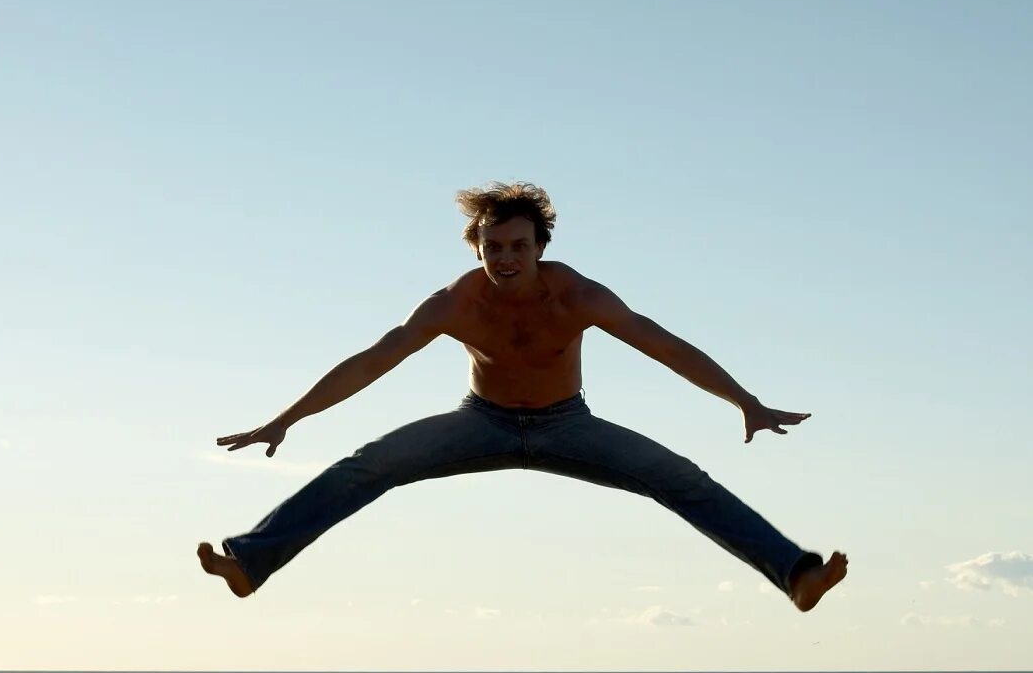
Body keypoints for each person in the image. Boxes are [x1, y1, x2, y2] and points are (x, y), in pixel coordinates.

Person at [197, 182, 848, 611]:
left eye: (517, 246)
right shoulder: (456, 302)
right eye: (493, 248)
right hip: (479, 423)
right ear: (476, 248)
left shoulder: (579, 296)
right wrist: (286, 419)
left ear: (540, 247)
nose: (505, 259)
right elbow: (376, 358)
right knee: (366, 467)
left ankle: (796, 574)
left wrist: (744, 400)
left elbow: (661, 342)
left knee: (681, 478)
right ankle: (251, 562)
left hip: (568, 426)